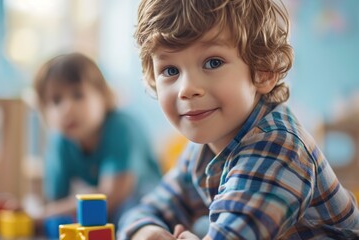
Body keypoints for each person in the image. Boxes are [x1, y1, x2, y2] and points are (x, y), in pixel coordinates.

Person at [117, 0, 359, 239]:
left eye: (213, 62)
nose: (187, 89)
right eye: (170, 70)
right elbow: (147, 208)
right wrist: (146, 231)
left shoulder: (278, 147)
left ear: (263, 71)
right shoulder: (203, 147)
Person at [33, 52, 161, 225]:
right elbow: (55, 199)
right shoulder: (60, 141)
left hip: (145, 201)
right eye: (56, 101)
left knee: (128, 216)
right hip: (106, 207)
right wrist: (42, 213)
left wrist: (43, 214)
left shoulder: (121, 127)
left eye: (78, 95)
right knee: (58, 222)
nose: (66, 109)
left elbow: (110, 197)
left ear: (104, 96)